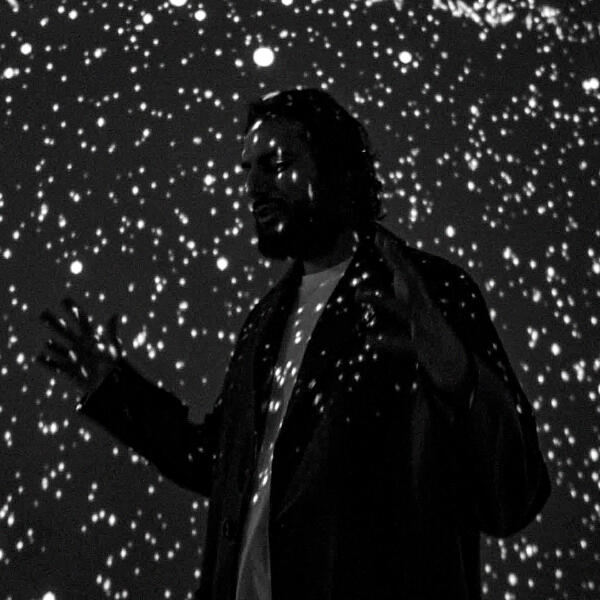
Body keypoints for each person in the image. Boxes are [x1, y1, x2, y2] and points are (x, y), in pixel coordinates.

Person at [36, 88, 551, 600]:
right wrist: (117, 390)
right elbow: (220, 463)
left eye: (277, 164)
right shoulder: (266, 321)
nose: (254, 187)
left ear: (339, 169)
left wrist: (457, 373)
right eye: (248, 170)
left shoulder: (424, 293)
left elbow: (513, 497)